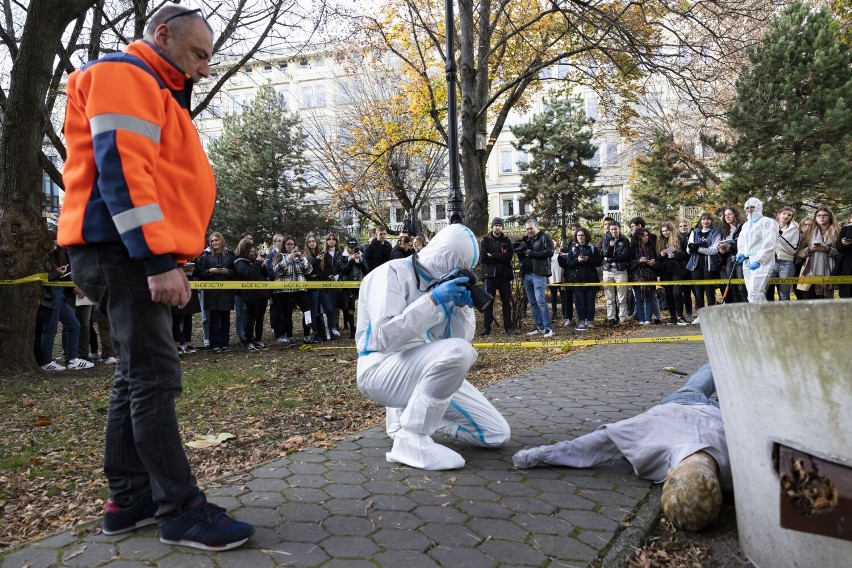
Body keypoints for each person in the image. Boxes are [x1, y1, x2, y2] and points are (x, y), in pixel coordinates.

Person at [57, 5, 254, 550]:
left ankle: (131, 499)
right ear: (161, 35)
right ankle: (181, 510)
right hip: (124, 253)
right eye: (198, 54)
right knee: (155, 378)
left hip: (116, 251)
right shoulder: (127, 75)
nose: (204, 69)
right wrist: (156, 261)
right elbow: (123, 169)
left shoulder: (149, 85)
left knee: (135, 374)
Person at [356, 224, 511, 471]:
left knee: (496, 434)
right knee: (458, 352)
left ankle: (409, 416)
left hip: (421, 369)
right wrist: (433, 300)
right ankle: (412, 438)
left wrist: (461, 309)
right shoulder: (390, 273)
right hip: (379, 369)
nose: (460, 271)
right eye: (458, 263)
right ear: (444, 255)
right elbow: (385, 338)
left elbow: (456, 344)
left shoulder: (441, 284)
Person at [513, 362, 731, 531]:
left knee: (712, 369)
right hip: (714, 411)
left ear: (670, 474)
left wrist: (537, 456)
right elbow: (595, 444)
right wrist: (537, 456)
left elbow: (596, 444)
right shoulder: (740, 463)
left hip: (693, 406)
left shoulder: (739, 463)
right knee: (714, 371)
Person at [271, 235, 318, 345]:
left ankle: (307, 335)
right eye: (288, 244)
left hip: (300, 289)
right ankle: (290, 336)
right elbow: (276, 271)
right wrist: (288, 258)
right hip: (285, 290)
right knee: (287, 314)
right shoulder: (279, 256)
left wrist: (302, 259)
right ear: (284, 245)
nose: (290, 246)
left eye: (292, 244)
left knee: (307, 311)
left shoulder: (300, 256)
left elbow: (309, 270)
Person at [735, 197, 779, 303]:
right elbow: (741, 241)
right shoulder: (745, 225)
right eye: (747, 208)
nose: (750, 210)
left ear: (758, 208)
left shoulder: (767, 222)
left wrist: (759, 260)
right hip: (747, 261)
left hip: (762, 261)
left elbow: (770, 243)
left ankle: (761, 317)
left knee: (755, 292)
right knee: (751, 292)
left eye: (752, 207)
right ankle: (761, 316)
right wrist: (741, 252)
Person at [198, 232, 235, 352]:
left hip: (226, 293)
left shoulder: (230, 255)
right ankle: (215, 344)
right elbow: (201, 274)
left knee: (225, 319)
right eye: (212, 241)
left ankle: (225, 343)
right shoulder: (206, 256)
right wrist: (210, 271)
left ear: (221, 241)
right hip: (212, 293)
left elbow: (236, 273)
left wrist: (227, 272)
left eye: (216, 240)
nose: (214, 242)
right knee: (213, 319)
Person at [518, 219, 554, 337]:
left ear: (536, 227)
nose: (529, 231)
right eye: (527, 229)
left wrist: (531, 253)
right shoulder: (526, 239)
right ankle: (540, 327)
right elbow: (522, 256)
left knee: (540, 301)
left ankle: (549, 328)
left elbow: (550, 252)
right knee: (533, 303)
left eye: (531, 228)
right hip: (527, 275)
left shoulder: (545, 237)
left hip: (539, 274)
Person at [560, 227, 601, 331]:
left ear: (586, 236)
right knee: (580, 302)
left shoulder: (592, 248)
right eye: (578, 235)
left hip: (591, 278)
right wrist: (577, 260)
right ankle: (581, 321)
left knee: (590, 301)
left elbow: (598, 262)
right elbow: (568, 264)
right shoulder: (573, 249)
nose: (580, 237)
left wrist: (588, 259)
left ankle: (590, 321)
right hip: (577, 280)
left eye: (582, 235)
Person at [796, 206, 841, 300]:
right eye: (819, 215)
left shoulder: (838, 231)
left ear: (830, 217)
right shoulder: (809, 232)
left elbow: (842, 255)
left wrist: (828, 250)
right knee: (808, 301)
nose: (822, 217)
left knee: (826, 303)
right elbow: (798, 254)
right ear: (815, 217)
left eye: (825, 215)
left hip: (829, 271)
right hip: (809, 272)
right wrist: (810, 249)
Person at [480, 217, 515, 336]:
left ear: (502, 227)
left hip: (504, 276)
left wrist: (493, 255)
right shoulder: (485, 241)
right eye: (496, 225)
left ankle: (508, 327)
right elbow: (483, 257)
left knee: (506, 302)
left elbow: (508, 257)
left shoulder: (507, 241)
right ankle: (486, 327)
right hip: (490, 276)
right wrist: (500, 256)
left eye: (500, 225)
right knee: (489, 302)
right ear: (492, 227)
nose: (498, 227)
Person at [233, 238, 270, 350]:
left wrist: (262, 265)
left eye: (254, 251)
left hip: (262, 292)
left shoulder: (255, 261)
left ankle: (258, 340)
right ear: (245, 251)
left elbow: (265, 274)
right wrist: (258, 263)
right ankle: (248, 340)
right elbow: (250, 273)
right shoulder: (239, 262)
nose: (253, 254)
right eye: (251, 251)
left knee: (260, 318)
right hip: (251, 294)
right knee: (251, 317)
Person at [686, 213, 721, 324]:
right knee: (698, 291)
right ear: (700, 220)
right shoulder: (694, 231)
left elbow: (714, 250)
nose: (706, 221)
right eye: (704, 219)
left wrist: (697, 249)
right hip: (695, 265)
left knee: (710, 291)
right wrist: (694, 248)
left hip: (710, 265)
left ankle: (711, 315)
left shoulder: (716, 232)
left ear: (711, 220)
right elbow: (688, 249)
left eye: (708, 219)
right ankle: (700, 315)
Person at [656, 222, 689, 325]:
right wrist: (662, 255)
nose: (665, 233)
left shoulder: (680, 238)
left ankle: (680, 316)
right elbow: (658, 258)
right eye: (663, 231)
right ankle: (673, 317)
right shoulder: (660, 241)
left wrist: (675, 255)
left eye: (667, 230)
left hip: (677, 269)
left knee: (677, 293)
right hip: (665, 271)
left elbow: (687, 253)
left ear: (671, 230)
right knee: (669, 294)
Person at [600, 221, 631, 326]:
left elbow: (625, 255)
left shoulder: (625, 240)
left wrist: (610, 258)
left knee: (622, 297)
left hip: (620, 271)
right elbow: (604, 253)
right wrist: (610, 246)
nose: (613, 231)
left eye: (615, 229)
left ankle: (622, 319)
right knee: (610, 298)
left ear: (619, 229)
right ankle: (611, 318)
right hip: (607, 271)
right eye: (611, 229)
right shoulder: (605, 239)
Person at [768, 206, 799, 301]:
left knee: (784, 294)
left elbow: (793, 250)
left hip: (786, 263)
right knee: (767, 291)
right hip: (769, 262)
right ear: (778, 214)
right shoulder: (769, 227)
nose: (786, 216)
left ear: (792, 217)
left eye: (789, 215)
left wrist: (780, 238)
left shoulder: (795, 229)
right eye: (784, 213)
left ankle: (785, 315)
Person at [340, 238, 369, 338]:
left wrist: (360, 260)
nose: (352, 250)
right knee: (350, 307)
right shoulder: (343, 256)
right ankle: (352, 331)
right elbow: (344, 270)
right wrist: (351, 260)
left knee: (363, 306)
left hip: (360, 283)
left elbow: (366, 270)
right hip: (349, 284)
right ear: (347, 247)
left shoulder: (361, 255)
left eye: (354, 248)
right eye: (350, 248)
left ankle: (362, 327)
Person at [717, 206, 746, 303]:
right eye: (725, 215)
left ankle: (746, 312)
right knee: (733, 289)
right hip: (729, 260)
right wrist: (721, 250)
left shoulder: (743, 227)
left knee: (742, 289)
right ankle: (737, 313)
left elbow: (745, 245)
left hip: (741, 260)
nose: (727, 216)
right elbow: (723, 245)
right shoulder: (724, 229)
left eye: (730, 214)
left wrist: (728, 247)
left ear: (736, 214)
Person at [629, 228, 657, 325]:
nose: (646, 237)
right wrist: (638, 261)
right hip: (637, 275)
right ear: (639, 237)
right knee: (639, 298)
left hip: (649, 275)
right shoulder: (633, 248)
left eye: (647, 235)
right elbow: (629, 263)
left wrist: (653, 262)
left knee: (649, 298)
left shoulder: (651, 247)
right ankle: (641, 319)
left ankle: (648, 319)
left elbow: (656, 260)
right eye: (644, 235)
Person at [550, 237, 574, 327]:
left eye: (554, 242)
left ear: (557, 242)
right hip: (552, 276)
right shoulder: (548, 251)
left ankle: (565, 313)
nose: (552, 244)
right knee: (553, 294)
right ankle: (554, 312)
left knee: (563, 294)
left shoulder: (561, 250)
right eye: (551, 242)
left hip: (561, 274)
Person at [835, 213, 852, 298]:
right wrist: (843, 243)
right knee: (846, 293)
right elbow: (839, 248)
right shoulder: (845, 229)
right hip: (847, 265)